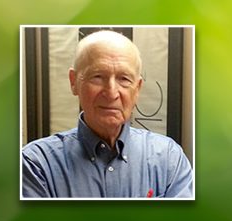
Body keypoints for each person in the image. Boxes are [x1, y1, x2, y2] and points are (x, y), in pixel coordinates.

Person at [22, 30, 193, 198]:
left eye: (124, 79)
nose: (111, 93)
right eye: (97, 76)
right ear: (74, 82)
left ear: (138, 89)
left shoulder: (168, 159)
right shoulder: (36, 165)